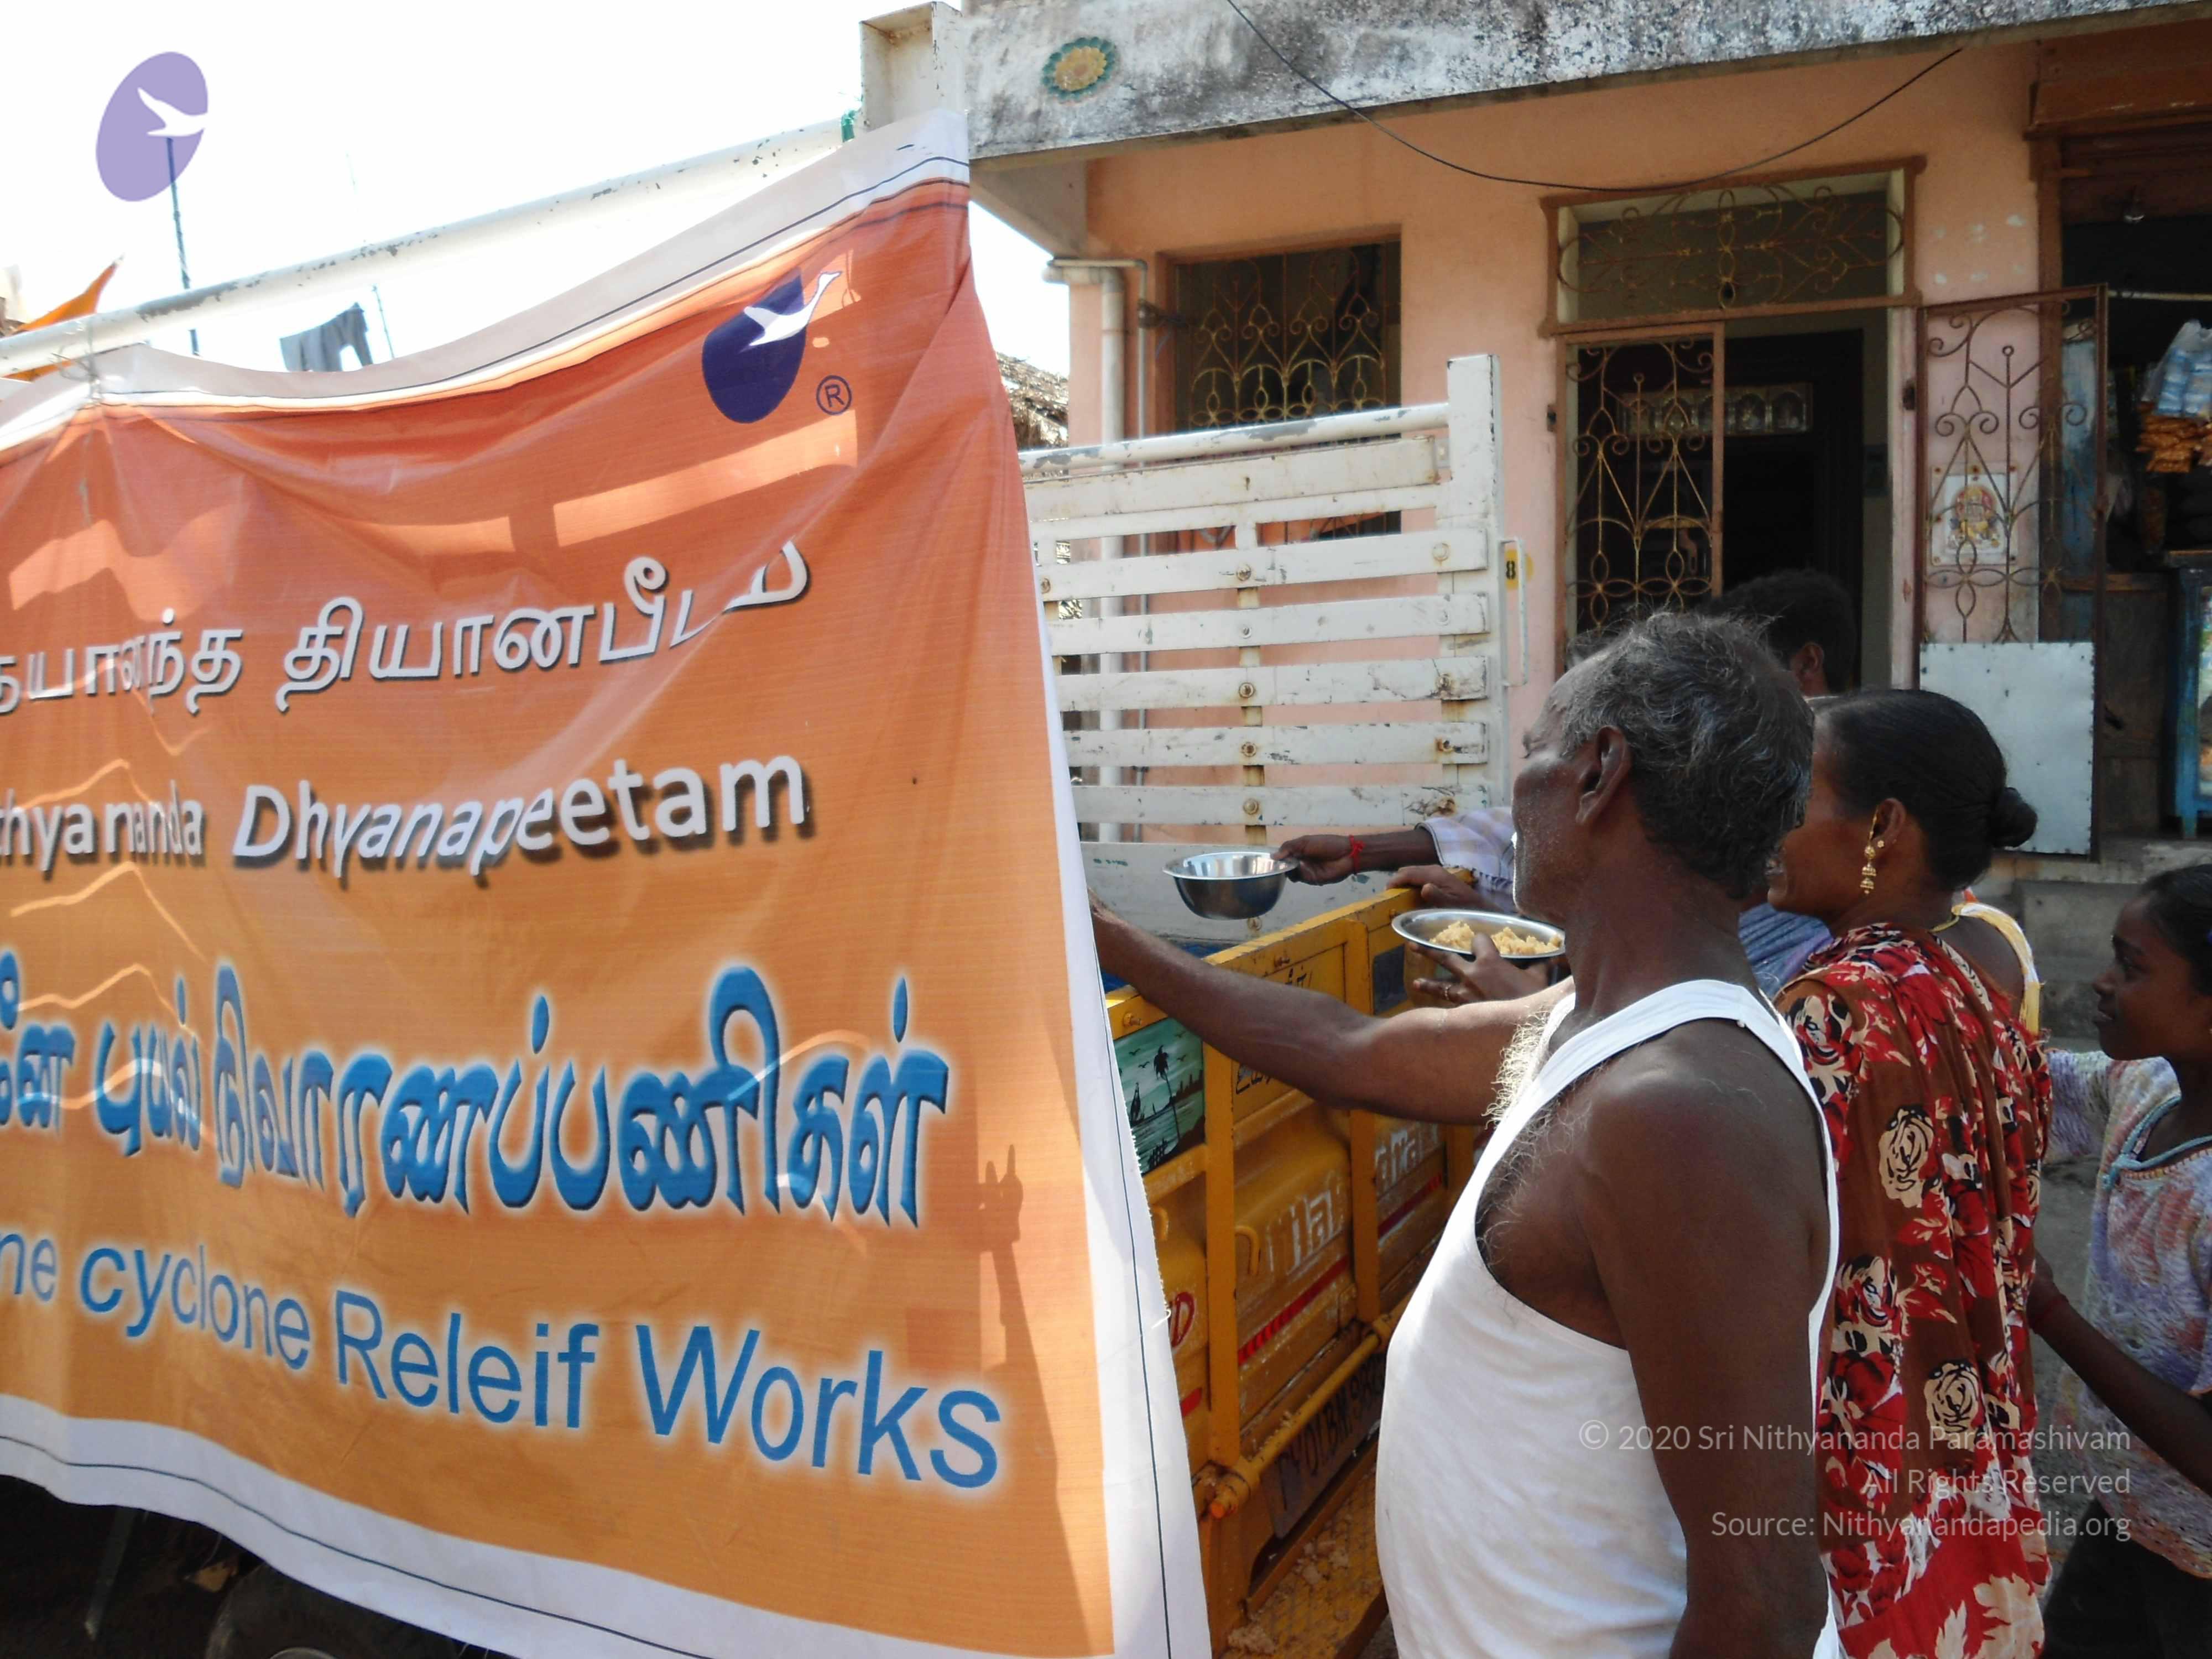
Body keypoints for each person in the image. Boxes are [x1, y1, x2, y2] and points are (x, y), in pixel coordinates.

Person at [1095, 612, 1842, 1658]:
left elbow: (1763, 1603)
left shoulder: (1678, 1112)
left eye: (1534, 751)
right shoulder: (1591, 1021)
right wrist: (1112, 941)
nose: (1516, 791)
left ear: (1599, 775)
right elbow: (1350, 1049)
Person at [1763, 688, 2051, 1657]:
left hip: (1869, 1488)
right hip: (1967, 1482)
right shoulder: (1975, 985)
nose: (1772, 825)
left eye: (1796, 797)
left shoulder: (1831, 1009)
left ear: (1882, 827)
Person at [1280, 568, 1858, 994]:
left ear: (1601, 773)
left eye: (1536, 749)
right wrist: (1366, 852)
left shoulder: (1776, 990)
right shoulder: (1687, 970)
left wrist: (1531, 1015)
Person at [2032, 867, 2212, 1658]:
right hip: (2132, 1515)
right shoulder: (2147, 1087)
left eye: (2132, 968)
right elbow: (2023, 1091)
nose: (2102, 984)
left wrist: (2050, 1313)